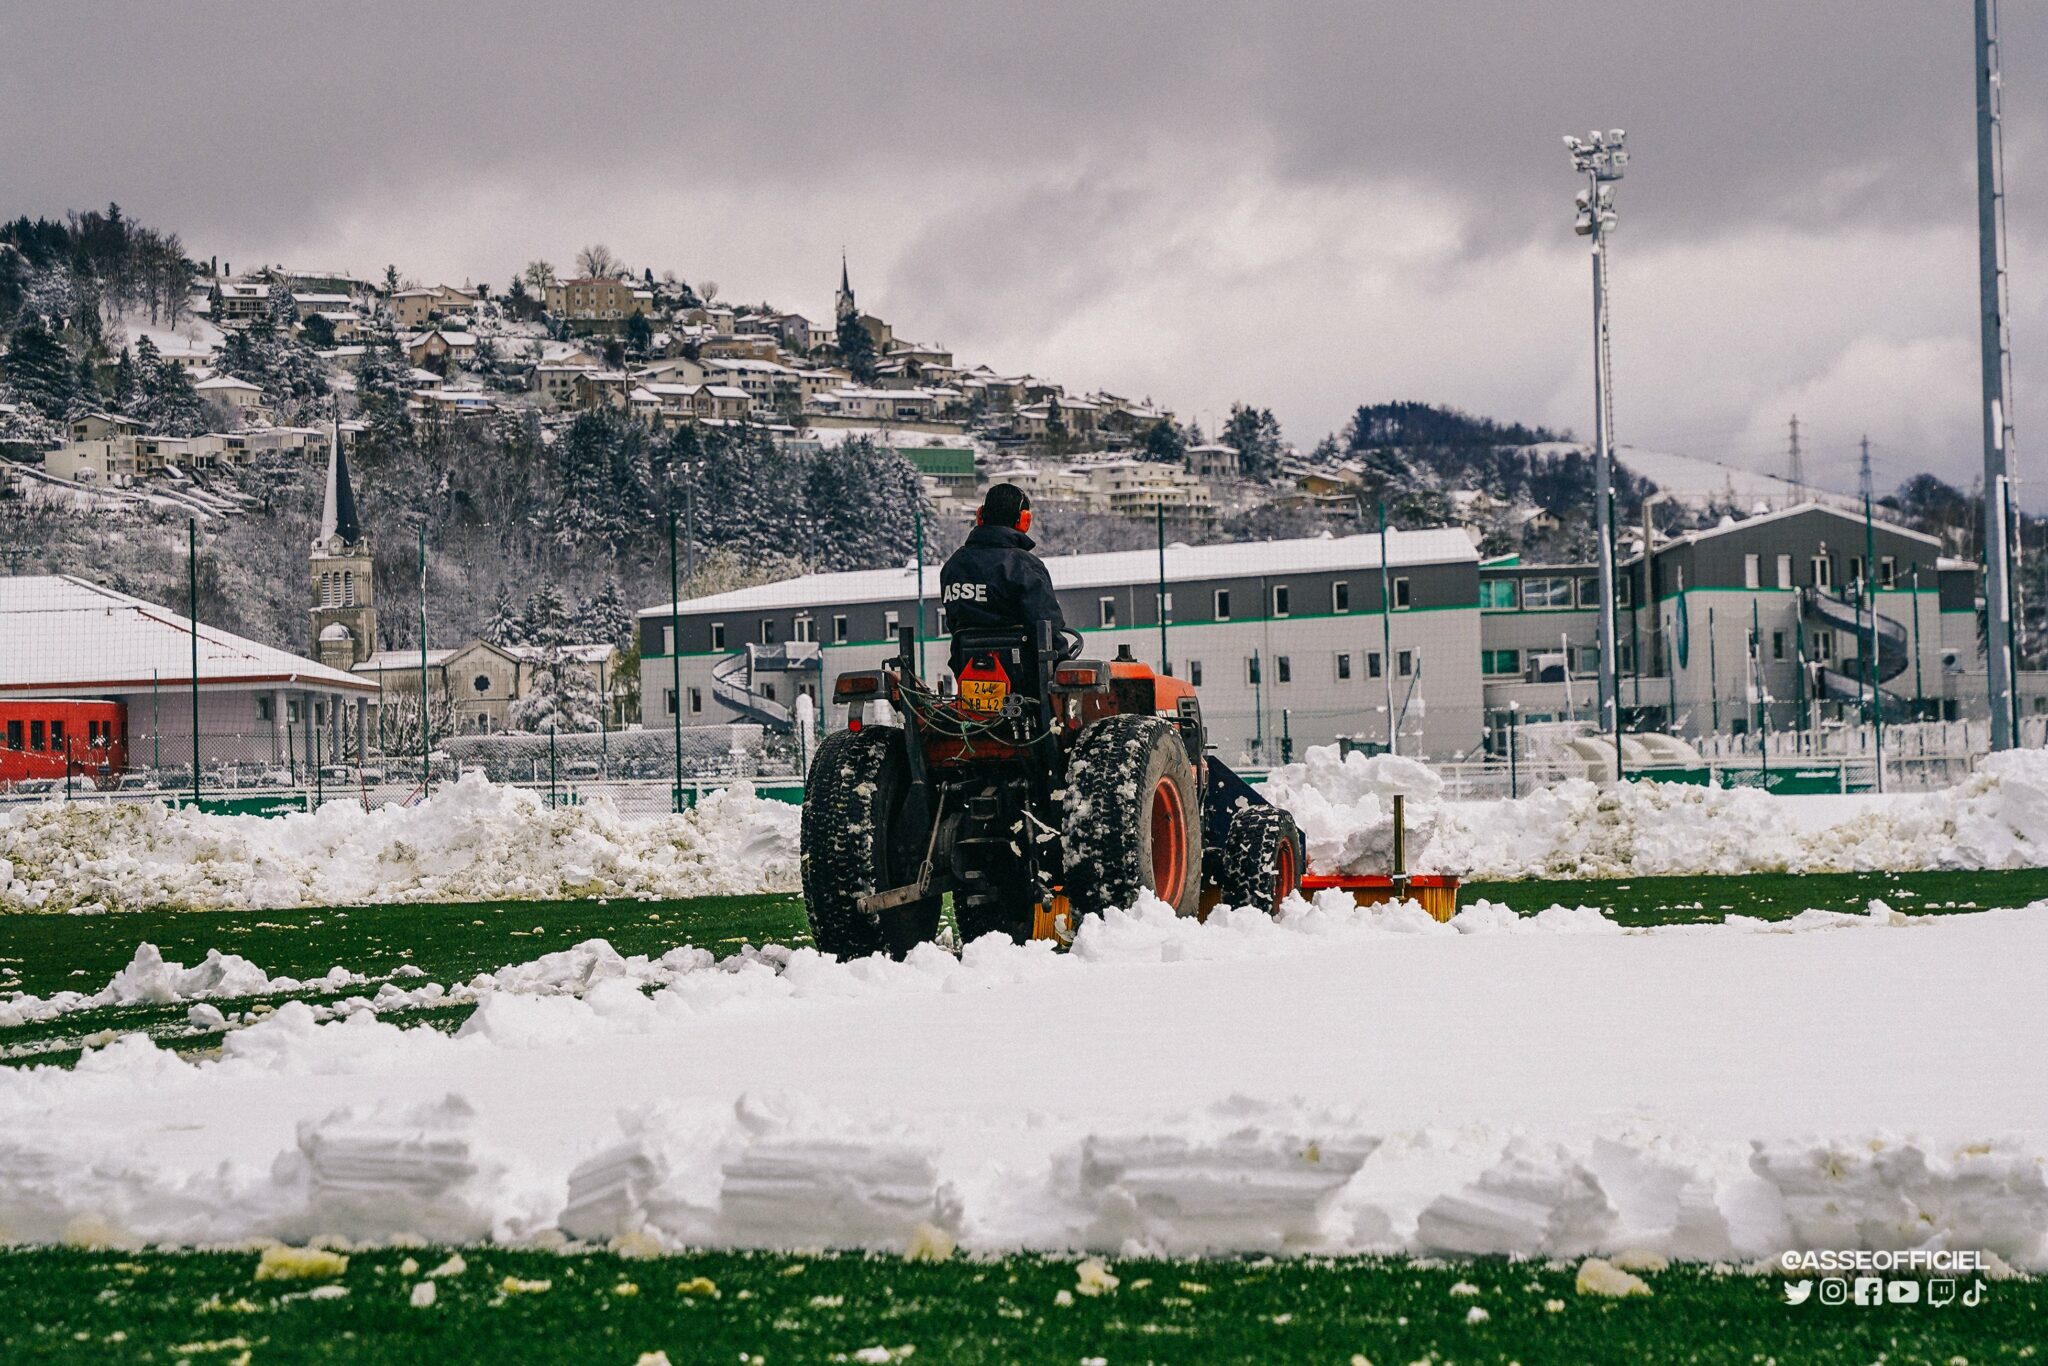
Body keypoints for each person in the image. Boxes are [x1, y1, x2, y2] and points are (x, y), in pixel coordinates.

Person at [939, 482, 1065, 675]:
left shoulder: (953, 566)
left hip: (969, 674)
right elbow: (1046, 627)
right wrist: (1065, 663)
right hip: (1026, 683)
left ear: (980, 516)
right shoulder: (1024, 566)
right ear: (1024, 521)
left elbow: (955, 624)